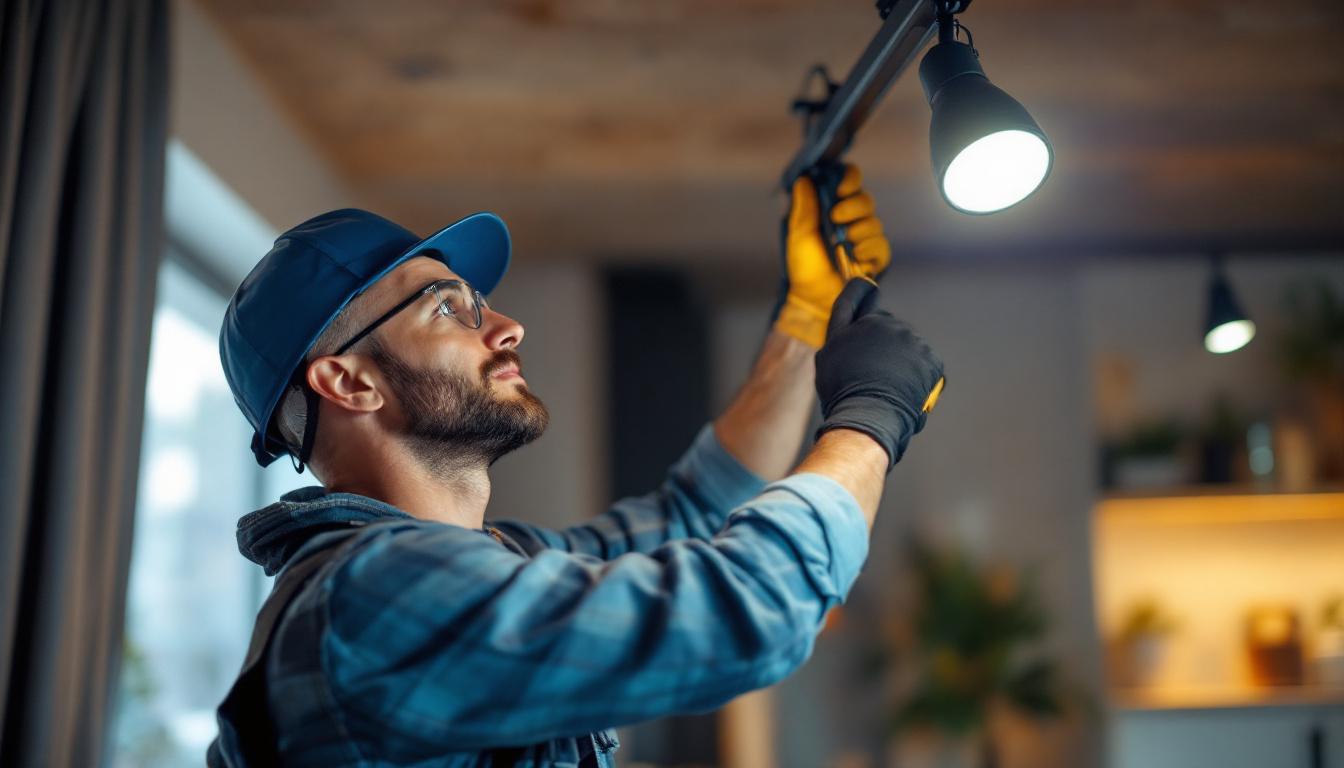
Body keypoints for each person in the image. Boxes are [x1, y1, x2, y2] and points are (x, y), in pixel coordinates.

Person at [208, 165, 944, 766]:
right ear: (349, 382)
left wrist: (807, 317)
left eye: (481, 302)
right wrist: (872, 415)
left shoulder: (491, 561)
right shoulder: (373, 599)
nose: (507, 327)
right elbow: (748, 609)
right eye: (449, 309)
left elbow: (694, 513)